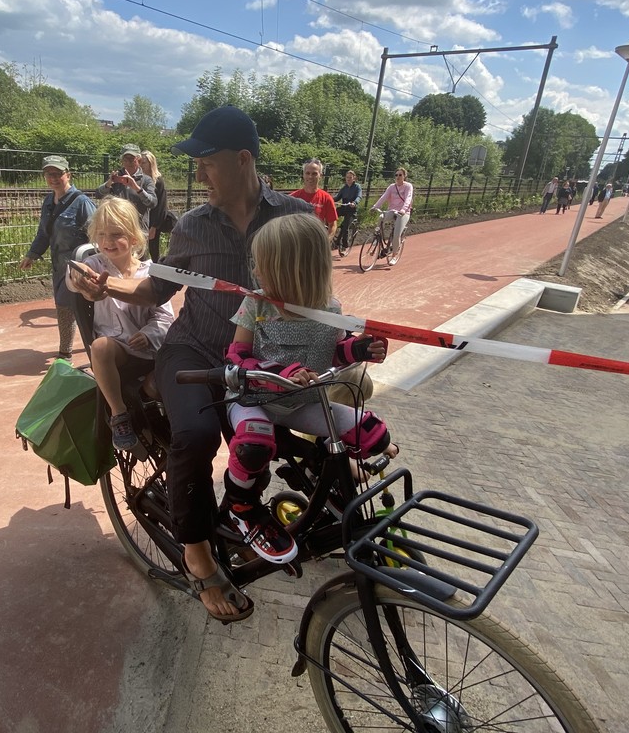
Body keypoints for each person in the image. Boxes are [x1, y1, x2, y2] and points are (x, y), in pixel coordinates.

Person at [70, 105, 312, 622]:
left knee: (291, 434)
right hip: (195, 351)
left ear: (243, 159)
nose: (197, 173)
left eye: (206, 161)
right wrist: (103, 284)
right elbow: (158, 287)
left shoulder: (296, 217)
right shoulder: (193, 227)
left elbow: (315, 292)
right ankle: (198, 557)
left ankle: (264, 517)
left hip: (262, 355)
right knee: (197, 436)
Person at [223, 214, 396, 563]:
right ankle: (240, 506)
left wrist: (360, 349)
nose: (256, 272)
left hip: (301, 402)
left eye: (263, 265)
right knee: (255, 445)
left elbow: (335, 349)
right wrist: (281, 370)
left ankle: (331, 488)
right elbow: (236, 357)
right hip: (253, 398)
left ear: (293, 270)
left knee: (371, 432)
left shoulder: (330, 309)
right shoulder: (256, 303)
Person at [66, 198, 173, 450]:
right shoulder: (94, 265)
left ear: (134, 238)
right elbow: (75, 275)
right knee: (100, 346)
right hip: (118, 351)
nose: (107, 242)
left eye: (116, 234)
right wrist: (77, 273)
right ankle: (119, 414)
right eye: (101, 235)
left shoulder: (150, 272)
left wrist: (149, 333)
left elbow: (165, 316)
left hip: (148, 350)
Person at [20, 155, 96, 361]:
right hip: (59, 266)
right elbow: (44, 233)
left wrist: (91, 265)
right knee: (64, 308)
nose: (53, 178)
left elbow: (97, 236)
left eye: (58, 174)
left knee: (88, 311)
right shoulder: (48, 202)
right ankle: (67, 353)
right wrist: (32, 254)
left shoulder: (82, 202)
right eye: (49, 174)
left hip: (80, 266)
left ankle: (97, 351)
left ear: (68, 175)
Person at [96, 143, 156, 231]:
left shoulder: (146, 180)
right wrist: (109, 183)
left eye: (131, 159)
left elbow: (152, 203)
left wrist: (137, 188)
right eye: (125, 159)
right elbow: (98, 194)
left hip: (138, 231)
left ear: (138, 160)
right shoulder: (117, 177)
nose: (128, 163)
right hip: (118, 229)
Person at [370, 167, 414, 260]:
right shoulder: (391, 187)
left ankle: (394, 255)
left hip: (403, 212)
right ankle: (376, 237)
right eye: (396, 175)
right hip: (392, 210)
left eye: (400, 175)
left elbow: (408, 199)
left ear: (404, 176)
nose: (398, 177)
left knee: (396, 234)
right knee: (381, 217)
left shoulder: (408, 186)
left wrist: (403, 210)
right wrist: (375, 207)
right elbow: (383, 197)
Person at [290, 158, 338, 240]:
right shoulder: (292, 198)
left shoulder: (326, 198)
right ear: (303, 175)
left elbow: (332, 225)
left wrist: (326, 242)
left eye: (314, 174)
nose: (310, 176)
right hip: (296, 243)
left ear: (320, 176)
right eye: (307, 173)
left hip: (316, 243)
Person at [140, 150, 168, 261]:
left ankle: (156, 273)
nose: (141, 165)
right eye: (140, 162)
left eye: (144, 162)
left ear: (151, 163)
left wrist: (154, 226)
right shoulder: (138, 180)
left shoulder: (158, 181)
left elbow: (161, 206)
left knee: (153, 249)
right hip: (141, 218)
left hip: (153, 221)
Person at [332, 169, 361, 248]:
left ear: (354, 178)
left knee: (345, 227)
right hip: (344, 208)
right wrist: (329, 200)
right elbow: (337, 197)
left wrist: (354, 203)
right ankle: (331, 230)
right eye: (347, 177)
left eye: (350, 177)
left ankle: (345, 245)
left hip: (351, 210)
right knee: (331, 214)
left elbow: (359, 196)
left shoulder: (357, 187)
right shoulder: (344, 188)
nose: (348, 179)